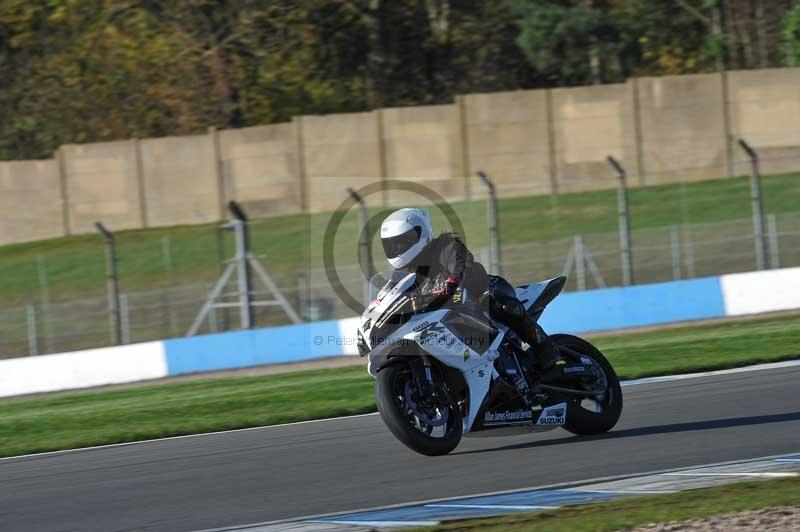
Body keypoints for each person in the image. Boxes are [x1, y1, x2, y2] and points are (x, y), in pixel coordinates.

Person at [379, 208, 559, 370]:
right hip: (443, 319)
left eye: (402, 242)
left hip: (480, 294)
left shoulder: (444, 246)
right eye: (391, 245)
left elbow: (462, 266)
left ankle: (544, 348)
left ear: (420, 234)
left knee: (500, 304)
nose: (397, 249)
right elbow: (392, 296)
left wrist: (452, 281)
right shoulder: (401, 275)